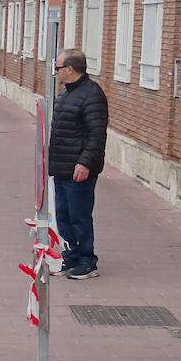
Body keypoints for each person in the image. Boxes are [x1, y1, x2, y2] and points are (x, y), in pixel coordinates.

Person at [49, 48, 108, 279]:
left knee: (79, 215)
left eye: (58, 68)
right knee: (63, 215)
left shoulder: (92, 94)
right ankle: (71, 254)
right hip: (62, 167)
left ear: (70, 69)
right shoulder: (65, 93)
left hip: (79, 170)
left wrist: (84, 163)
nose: (56, 72)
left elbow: (96, 134)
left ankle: (87, 260)